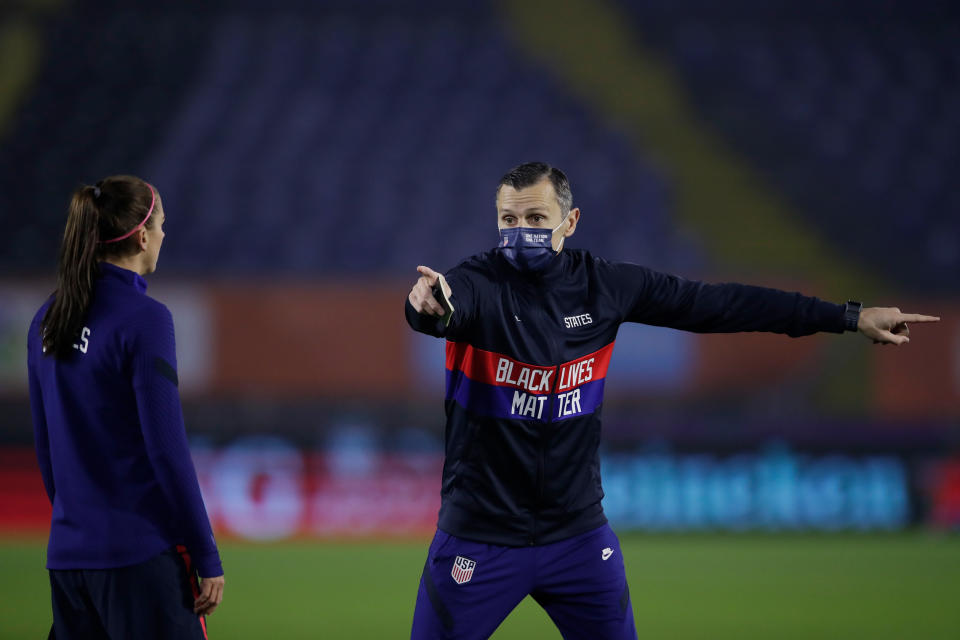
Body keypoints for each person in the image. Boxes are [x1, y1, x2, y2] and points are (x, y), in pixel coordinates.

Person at [404, 161, 939, 640]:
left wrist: (846, 317)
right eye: (509, 220)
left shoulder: (605, 286)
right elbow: (440, 308)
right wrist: (428, 306)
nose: (521, 234)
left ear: (570, 222)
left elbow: (721, 305)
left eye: (536, 220)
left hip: (579, 541)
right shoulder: (473, 283)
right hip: (478, 539)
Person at [27, 175, 224, 639]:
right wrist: (205, 552)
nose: (162, 237)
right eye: (161, 227)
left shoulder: (48, 317)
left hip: (70, 561)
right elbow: (167, 449)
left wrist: (82, 528)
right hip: (139, 559)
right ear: (140, 235)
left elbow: (45, 444)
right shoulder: (146, 320)